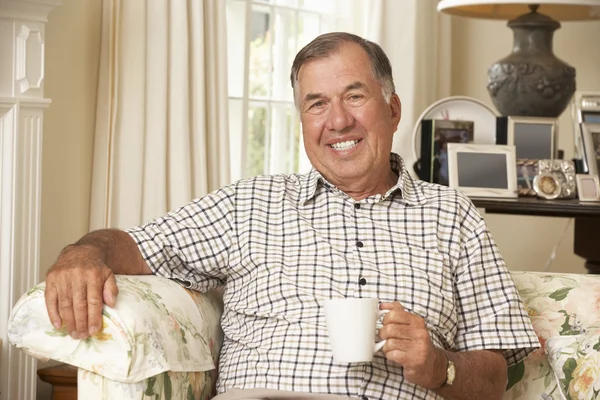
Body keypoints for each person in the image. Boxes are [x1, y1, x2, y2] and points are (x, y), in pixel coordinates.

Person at [44, 32, 539, 400]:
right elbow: (134, 245)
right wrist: (83, 253)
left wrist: (438, 366)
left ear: (393, 108)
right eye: (316, 104)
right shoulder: (249, 205)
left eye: (355, 96)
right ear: (303, 121)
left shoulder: (455, 219)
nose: (337, 121)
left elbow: (493, 377)